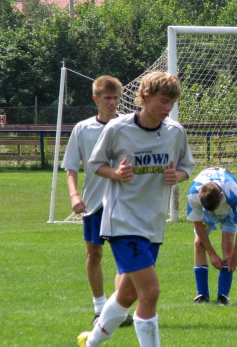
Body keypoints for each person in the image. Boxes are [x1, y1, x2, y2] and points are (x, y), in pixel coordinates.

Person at [77, 71, 195, 347]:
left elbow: (187, 166)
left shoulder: (174, 132)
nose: (168, 108)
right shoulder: (119, 128)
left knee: (127, 294)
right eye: (163, 101)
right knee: (150, 292)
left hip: (153, 224)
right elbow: (95, 164)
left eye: (172, 103)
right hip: (122, 221)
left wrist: (177, 176)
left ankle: (91, 342)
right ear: (144, 97)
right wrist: (116, 173)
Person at [61, 75, 133, 327]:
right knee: (94, 255)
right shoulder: (82, 128)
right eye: (107, 98)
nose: (112, 103)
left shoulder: (128, 126)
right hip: (93, 202)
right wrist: (74, 195)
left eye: (115, 98)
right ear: (96, 99)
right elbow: (70, 167)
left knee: (124, 257)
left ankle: (117, 310)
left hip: (124, 202)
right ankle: (99, 308)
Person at [186, 167, 237, 306]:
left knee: (228, 246)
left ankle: (223, 297)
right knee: (198, 243)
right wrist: (212, 253)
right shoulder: (193, 195)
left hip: (229, 213)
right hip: (206, 214)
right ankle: (202, 295)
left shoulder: (232, 192)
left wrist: (235, 255)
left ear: (221, 194)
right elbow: (197, 224)